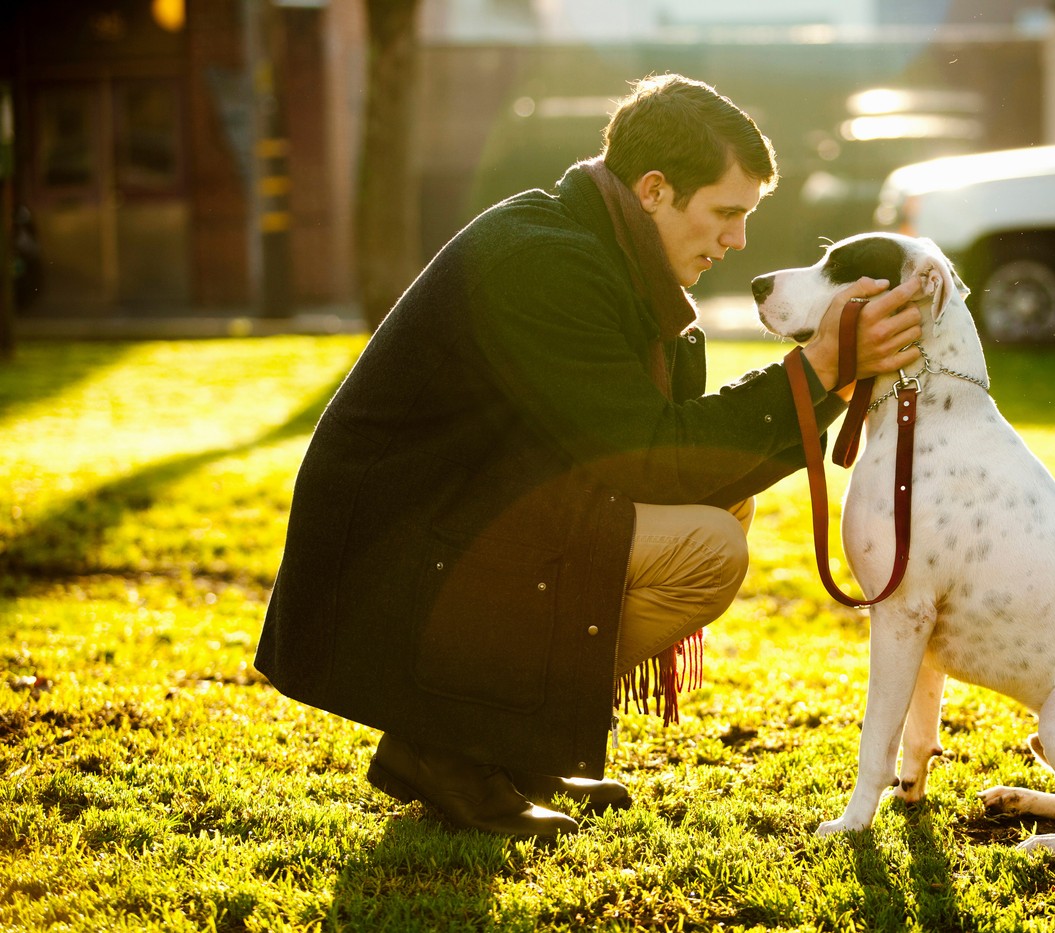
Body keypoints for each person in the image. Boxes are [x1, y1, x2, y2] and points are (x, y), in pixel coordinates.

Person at [254, 74, 924, 839]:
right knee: (706, 548)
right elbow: (648, 457)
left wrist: (823, 373)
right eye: (727, 213)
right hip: (399, 553)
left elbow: (671, 449)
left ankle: (509, 744)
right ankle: (450, 748)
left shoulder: (595, 247)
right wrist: (819, 367)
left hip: (465, 515)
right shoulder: (549, 262)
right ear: (654, 189)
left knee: (720, 505)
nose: (737, 240)